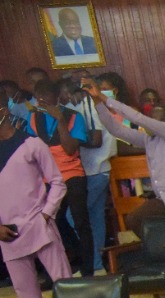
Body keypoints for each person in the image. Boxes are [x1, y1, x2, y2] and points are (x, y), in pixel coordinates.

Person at [83, 78, 165, 238]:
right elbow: (116, 130)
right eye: (150, 118)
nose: (149, 123)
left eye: (154, 120)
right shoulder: (147, 138)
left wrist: (103, 97)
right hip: (163, 198)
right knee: (134, 219)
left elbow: (139, 118)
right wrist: (98, 102)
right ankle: (161, 248)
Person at [0, 101, 72, 298]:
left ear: (4, 112)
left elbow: (58, 182)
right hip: (7, 232)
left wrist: (46, 215)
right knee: (24, 289)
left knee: (63, 282)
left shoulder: (31, 144)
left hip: (39, 223)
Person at [27, 79, 95, 278]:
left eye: (46, 96)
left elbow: (70, 148)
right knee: (53, 222)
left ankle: (88, 271)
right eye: (38, 97)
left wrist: (60, 121)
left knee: (81, 221)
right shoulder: (33, 118)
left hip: (73, 174)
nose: (42, 101)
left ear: (56, 97)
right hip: (47, 177)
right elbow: (32, 150)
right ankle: (73, 259)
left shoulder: (73, 116)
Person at [59, 78, 113, 273]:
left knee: (74, 217)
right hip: (94, 169)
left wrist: (71, 140)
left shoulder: (90, 106)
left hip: (96, 169)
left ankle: (92, 264)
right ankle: (98, 267)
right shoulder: (79, 107)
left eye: (62, 95)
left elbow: (96, 140)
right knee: (95, 217)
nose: (61, 100)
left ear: (69, 93)